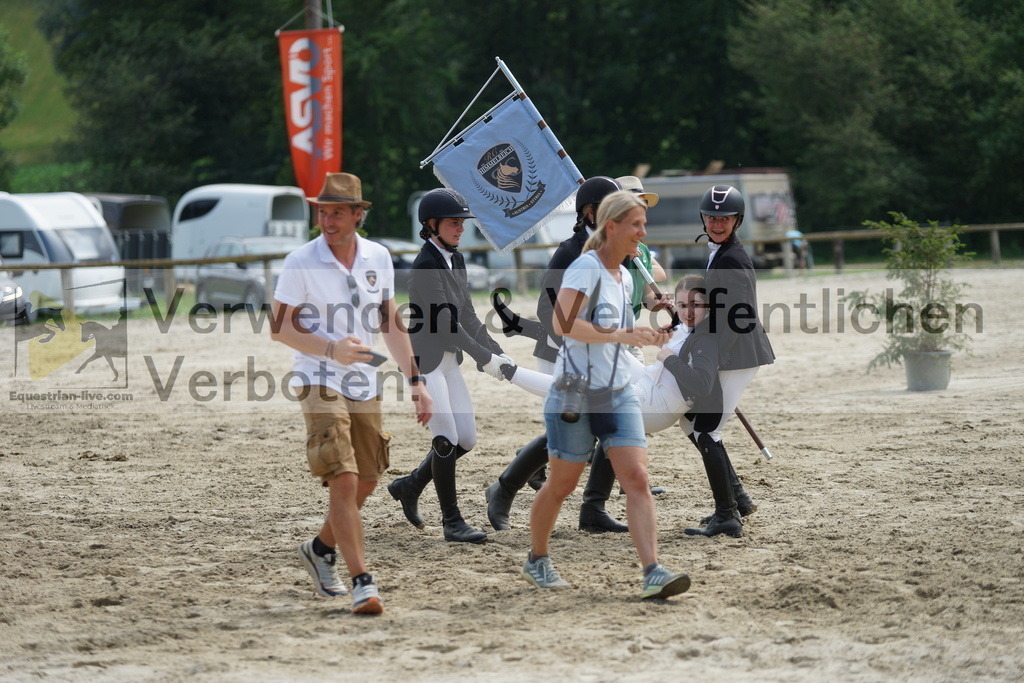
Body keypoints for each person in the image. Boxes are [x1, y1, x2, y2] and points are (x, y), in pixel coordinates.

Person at [271, 172, 433, 616]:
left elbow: (389, 321)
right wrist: (330, 349)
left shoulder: (378, 256)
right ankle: (363, 581)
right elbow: (279, 326)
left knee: (366, 477)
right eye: (322, 211)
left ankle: (321, 548)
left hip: (363, 378)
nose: (327, 220)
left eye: (337, 212)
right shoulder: (300, 261)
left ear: (358, 214)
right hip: (316, 375)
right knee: (342, 477)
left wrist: (416, 381)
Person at [521, 190, 690, 599]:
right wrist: (620, 333)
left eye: (643, 224)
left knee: (637, 479)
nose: (643, 232)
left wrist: (648, 336)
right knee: (561, 486)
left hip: (618, 392)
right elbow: (562, 324)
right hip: (574, 393)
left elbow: (613, 337)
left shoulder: (626, 275)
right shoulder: (585, 267)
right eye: (636, 224)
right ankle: (537, 558)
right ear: (610, 226)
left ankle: (652, 570)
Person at [486, 176, 629, 533]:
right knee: (571, 431)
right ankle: (503, 489)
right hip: (561, 352)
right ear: (590, 212)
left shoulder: (612, 250)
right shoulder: (569, 252)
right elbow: (549, 312)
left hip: (598, 353)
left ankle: (593, 508)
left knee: (604, 425)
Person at [385, 188, 513, 543]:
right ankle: (451, 522)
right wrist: (482, 357)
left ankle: (410, 486)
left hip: (448, 360)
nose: (460, 228)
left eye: (461, 222)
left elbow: (467, 315)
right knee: (446, 439)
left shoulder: (455, 259)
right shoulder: (425, 265)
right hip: (426, 361)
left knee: (466, 440)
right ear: (432, 224)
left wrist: (496, 349)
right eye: (454, 222)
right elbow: (445, 323)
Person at [683, 184, 775, 537]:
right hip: (729, 351)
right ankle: (739, 499)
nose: (717, 223)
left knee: (707, 430)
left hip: (737, 353)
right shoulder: (720, 253)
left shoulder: (732, 257)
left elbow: (737, 316)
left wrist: (713, 362)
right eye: (711, 216)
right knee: (692, 422)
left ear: (737, 220)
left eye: (724, 218)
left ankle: (728, 516)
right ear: (703, 218)